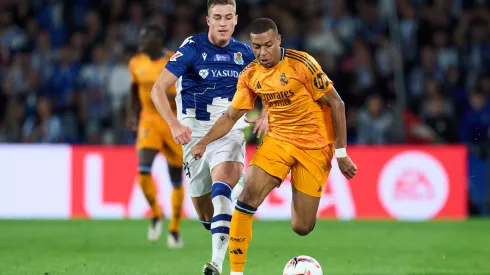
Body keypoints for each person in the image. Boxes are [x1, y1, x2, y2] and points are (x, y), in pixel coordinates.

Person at [190, 18, 358, 275]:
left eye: (268, 45)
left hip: (314, 146)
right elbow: (230, 117)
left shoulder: (302, 64)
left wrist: (341, 153)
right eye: (256, 47)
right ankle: (236, 272)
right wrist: (204, 141)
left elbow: (337, 104)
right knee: (246, 200)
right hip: (278, 141)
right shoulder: (250, 75)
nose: (263, 52)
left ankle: (276, 185)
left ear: (279, 39)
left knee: (302, 226)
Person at [150, 1, 265, 274]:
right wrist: (174, 124)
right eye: (217, 17)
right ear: (208, 20)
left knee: (221, 184)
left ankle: (216, 264)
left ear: (236, 20)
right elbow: (158, 89)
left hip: (230, 130)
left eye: (228, 17)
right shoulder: (192, 48)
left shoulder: (245, 53)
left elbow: (269, 83)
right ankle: (241, 191)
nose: (223, 23)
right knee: (207, 216)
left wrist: (266, 114)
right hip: (193, 134)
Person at [127, 25, 185, 247]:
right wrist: (132, 114)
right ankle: (156, 212)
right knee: (143, 169)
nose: (141, 39)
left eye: (146, 35)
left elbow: (182, 93)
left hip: (172, 122)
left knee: (176, 179)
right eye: (141, 35)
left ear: (159, 39)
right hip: (148, 120)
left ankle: (175, 228)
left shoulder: (174, 62)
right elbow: (133, 89)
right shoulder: (136, 62)